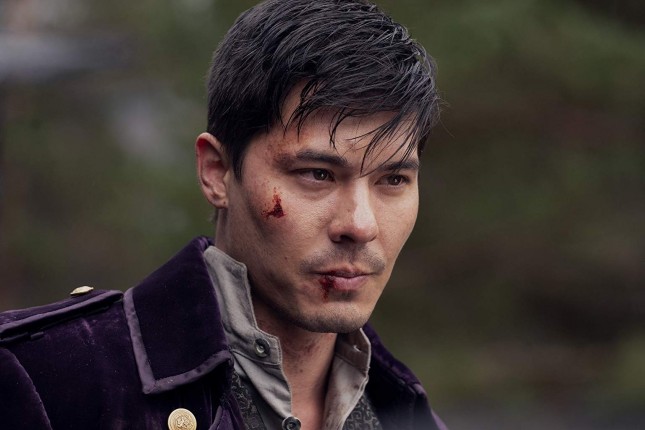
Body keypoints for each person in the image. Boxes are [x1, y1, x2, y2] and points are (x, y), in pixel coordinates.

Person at [0, 0, 445, 429]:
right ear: (217, 172)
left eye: (393, 179)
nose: (360, 225)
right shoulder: (46, 379)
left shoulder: (411, 416)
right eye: (317, 174)